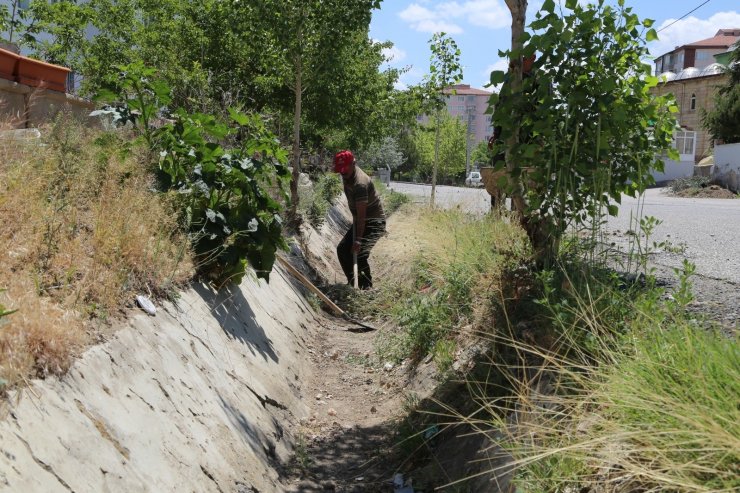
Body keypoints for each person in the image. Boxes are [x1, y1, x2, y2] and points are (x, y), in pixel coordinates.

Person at [333, 150, 386, 289]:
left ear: (353, 163)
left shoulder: (360, 184)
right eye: (340, 169)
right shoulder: (347, 176)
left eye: (345, 168)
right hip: (362, 221)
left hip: (374, 222)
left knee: (360, 254)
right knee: (343, 250)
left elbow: (362, 216)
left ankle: (366, 289)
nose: (342, 172)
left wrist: (358, 240)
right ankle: (353, 285)